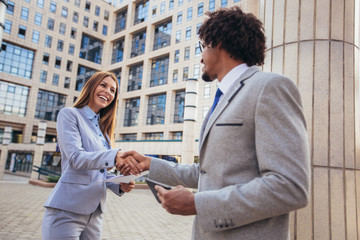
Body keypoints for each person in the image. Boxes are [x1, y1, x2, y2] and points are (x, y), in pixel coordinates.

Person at [119, 6, 310, 240]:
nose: (200, 57)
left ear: (217, 42)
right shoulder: (222, 99)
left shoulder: (270, 88)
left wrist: (199, 204)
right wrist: (150, 163)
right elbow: (209, 173)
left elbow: (290, 187)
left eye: (202, 47)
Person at [42, 72, 142, 240]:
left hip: (94, 215)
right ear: (91, 86)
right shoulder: (69, 115)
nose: (108, 92)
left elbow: (98, 173)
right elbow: (76, 159)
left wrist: (118, 184)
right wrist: (115, 155)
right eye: (103, 85)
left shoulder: (103, 131)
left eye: (112, 90)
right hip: (67, 211)